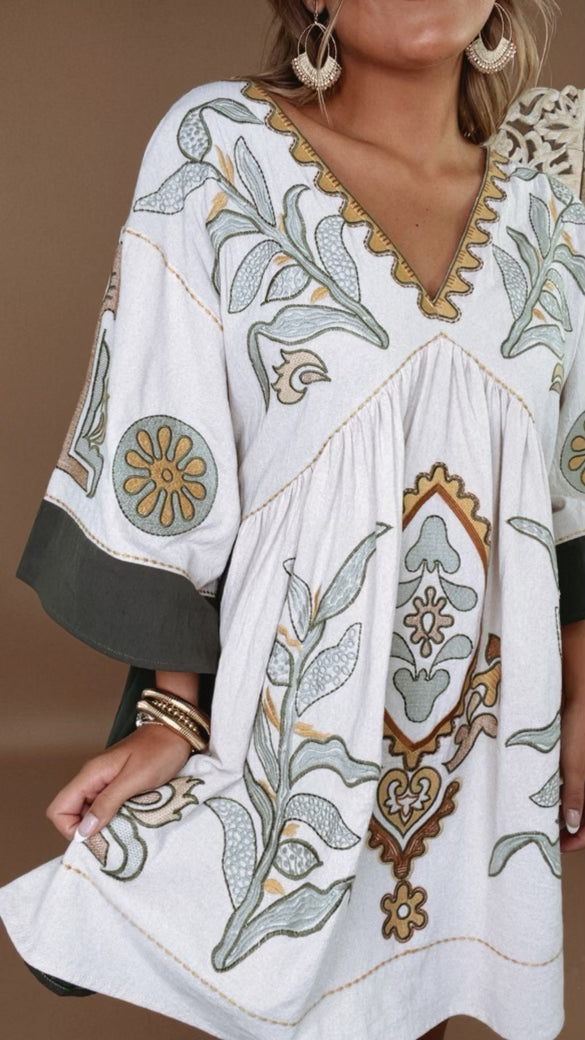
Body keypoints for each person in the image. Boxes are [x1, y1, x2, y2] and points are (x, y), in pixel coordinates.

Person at [1, 1, 584, 1038]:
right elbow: (163, 428)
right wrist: (172, 712)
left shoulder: (553, 216)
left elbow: (568, 487)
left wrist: (584, 694)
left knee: (428, 997)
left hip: (487, 729)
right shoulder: (221, 151)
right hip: (302, 720)